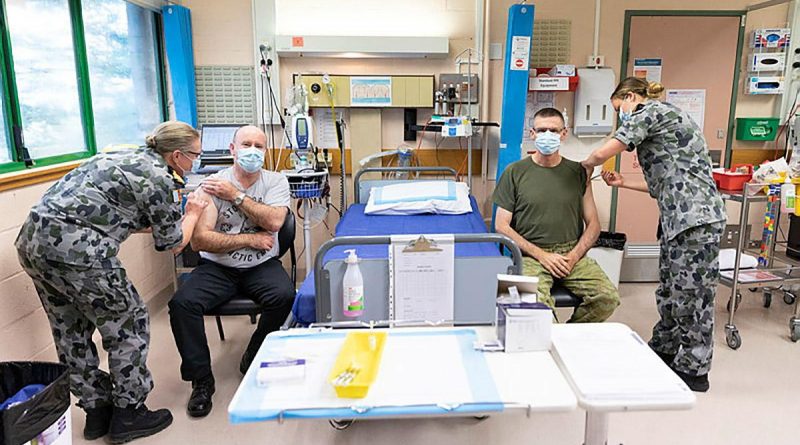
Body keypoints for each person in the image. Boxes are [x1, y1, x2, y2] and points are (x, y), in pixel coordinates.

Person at [15, 121, 208, 443]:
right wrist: (193, 212)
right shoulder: (158, 177)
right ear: (177, 155)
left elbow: (113, 213)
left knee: (70, 331)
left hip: (34, 245)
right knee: (129, 322)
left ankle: (96, 410)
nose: (196, 162)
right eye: (195, 156)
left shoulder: (119, 154)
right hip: (80, 253)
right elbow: (172, 243)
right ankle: (130, 412)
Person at [581, 77, 725, 392]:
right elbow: (665, 184)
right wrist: (622, 183)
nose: (623, 117)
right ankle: (665, 348)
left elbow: (610, 148)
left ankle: (695, 369)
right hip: (678, 219)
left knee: (693, 295)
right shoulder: (665, 124)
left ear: (630, 96)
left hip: (696, 220)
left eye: (621, 109)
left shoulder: (652, 112)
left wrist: (582, 166)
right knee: (671, 290)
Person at [168, 125, 294, 418]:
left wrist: (235, 196)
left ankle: (254, 350)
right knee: (182, 304)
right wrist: (250, 238)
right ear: (232, 149)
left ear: (266, 152)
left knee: (286, 295)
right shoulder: (212, 184)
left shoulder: (275, 182)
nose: (252, 151)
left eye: (259, 146)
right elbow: (200, 240)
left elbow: (275, 222)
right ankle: (201, 381)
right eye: (246, 144)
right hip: (217, 267)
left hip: (261, 264)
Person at [493, 108, 620, 322]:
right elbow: (501, 226)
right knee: (533, 310)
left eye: (553, 130)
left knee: (608, 298)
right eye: (542, 130)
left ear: (564, 133)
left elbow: (593, 225)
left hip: (572, 253)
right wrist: (543, 256)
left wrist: (573, 256)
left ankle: (566, 337)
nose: (547, 135)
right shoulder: (514, 172)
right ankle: (549, 341)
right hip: (530, 255)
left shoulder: (578, 173)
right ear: (532, 134)